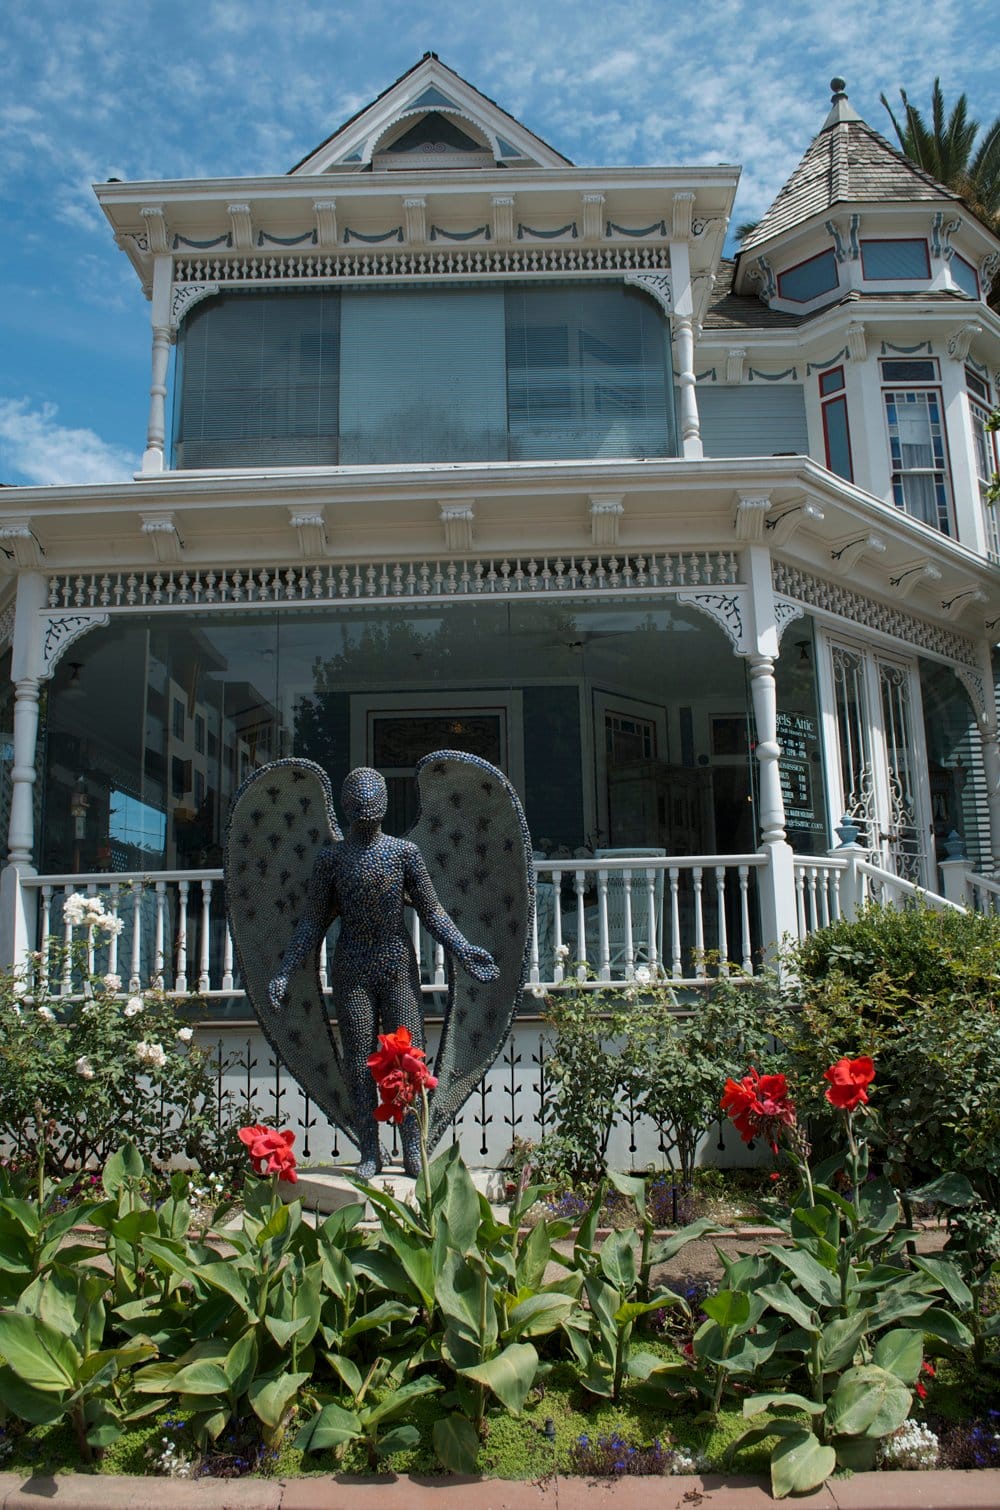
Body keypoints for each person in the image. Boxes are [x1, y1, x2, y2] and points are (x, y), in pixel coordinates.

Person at [268, 767, 498, 1176]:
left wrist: (462, 947)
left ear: (385, 807)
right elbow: (312, 922)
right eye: (359, 804)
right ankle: (370, 1150)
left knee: (407, 1058)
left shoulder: (404, 853)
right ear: (346, 807)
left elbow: (432, 910)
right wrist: (287, 969)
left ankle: (413, 1145)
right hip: (352, 966)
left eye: (371, 803)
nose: (366, 811)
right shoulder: (332, 860)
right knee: (359, 1060)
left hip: (395, 964)